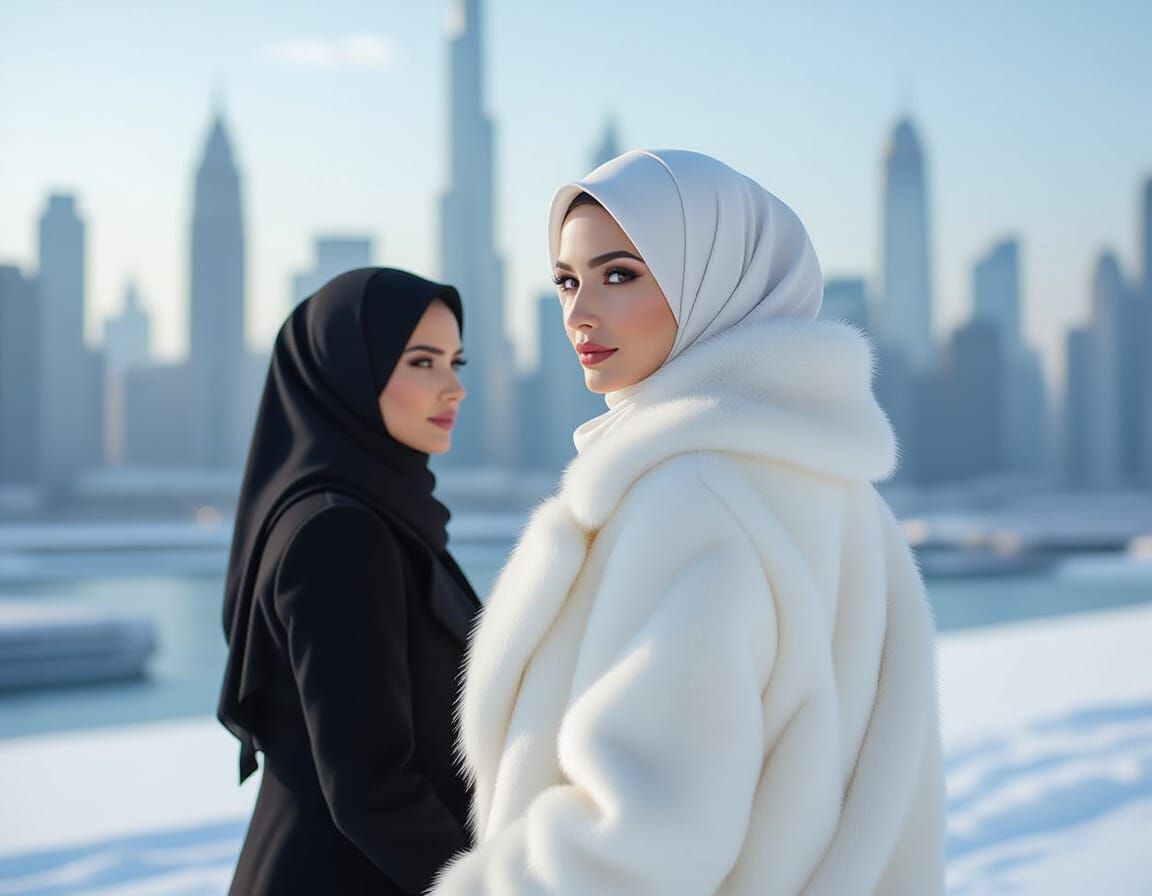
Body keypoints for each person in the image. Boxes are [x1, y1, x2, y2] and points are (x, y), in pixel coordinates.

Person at [432, 151, 946, 895]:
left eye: (620, 275)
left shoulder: (694, 498)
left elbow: (646, 836)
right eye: (567, 281)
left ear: (716, 281)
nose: (579, 313)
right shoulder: (837, 493)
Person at [217, 268, 481, 895]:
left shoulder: (384, 519)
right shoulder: (338, 534)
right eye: (422, 362)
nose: (454, 389)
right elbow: (372, 790)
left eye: (456, 361)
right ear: (347, 375)